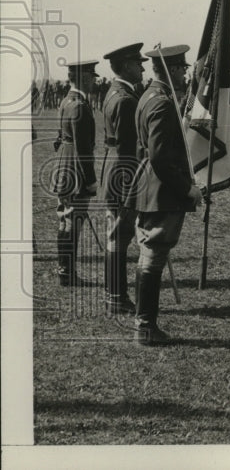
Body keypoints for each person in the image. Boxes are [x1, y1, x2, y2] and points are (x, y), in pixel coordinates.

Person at [126, 45, 203, 345]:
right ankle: (145, 328)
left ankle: (143, 324)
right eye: (182, 68)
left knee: (149, 255)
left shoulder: (149, 96)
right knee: (154, 256)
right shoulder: (161, 102)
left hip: (149, 187)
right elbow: (158, 156)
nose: (185, 72)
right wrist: (187, 189)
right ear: (170, 71)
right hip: (161, 191)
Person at [99, 43, 148, 314]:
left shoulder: (113, 92)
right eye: (138, 63)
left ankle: (113, 294)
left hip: (113, 168)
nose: (142, 68)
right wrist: (133, 186)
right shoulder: (127, 100)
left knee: (114, 235)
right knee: (119, 236)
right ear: (127, 66)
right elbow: (130, 148)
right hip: (123, 173)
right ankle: (116, 296)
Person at [51, 59, 100, 287]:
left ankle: (64, 268)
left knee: (65, 219)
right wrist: (90, 181)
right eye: (91, 76)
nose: (94, 80)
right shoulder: (79, 105)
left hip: (64, 165)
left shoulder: (67, 100)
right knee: (72, 221)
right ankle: (66, 272)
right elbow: (83, 149)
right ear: (82, 77)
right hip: (74, 169)